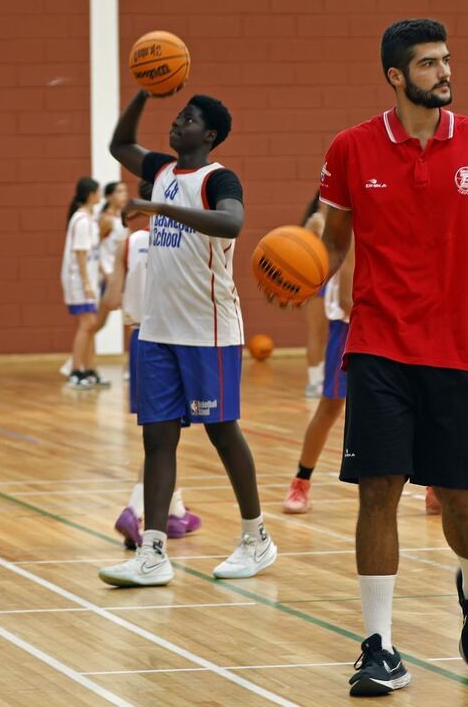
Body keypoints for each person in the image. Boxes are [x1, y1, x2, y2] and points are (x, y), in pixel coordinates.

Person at [318, 19, 468, 696]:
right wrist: (295, 276)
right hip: (379, 343)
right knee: (378, 490)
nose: (444, 72)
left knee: (462, 504)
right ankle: (378, 645)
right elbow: (329, 243)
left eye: (446, 60)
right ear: (395, 75)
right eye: (429, 63)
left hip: (463, 346)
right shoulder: (351, 149)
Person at [97, 89, 276, 587]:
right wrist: (145, 89)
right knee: (157, 437)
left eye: (188, 119)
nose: (177, 123)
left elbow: (232, 221)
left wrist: (163, 209)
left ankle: (256, 537)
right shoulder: (159, 171)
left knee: (222, 432)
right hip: (157, 330)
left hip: (208, 331)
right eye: (177, 115)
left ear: (210, 134)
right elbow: (120, 143)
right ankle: (152, 552)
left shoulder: (218, 178)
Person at [101, 193, 202, 548]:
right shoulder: (181, 239)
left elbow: (112, 301)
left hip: (140, 340)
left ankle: (174, 512)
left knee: (162, 435)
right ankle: (134, 506)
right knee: (165, 436)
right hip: (172, 338)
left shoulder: (129, 244)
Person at [283, 242, 354, 514]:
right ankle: (301, 481)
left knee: (413, 407)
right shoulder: (357, 222)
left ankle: (433, 486)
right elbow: (347, 297)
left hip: (391, 326)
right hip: (353, 326)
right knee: (330, 407)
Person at [60, 177, 101, 389]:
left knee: (91, 325)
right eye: (99, 192)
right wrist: (86, 282)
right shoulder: (82, 221)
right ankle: (75, 371)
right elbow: (80, 254)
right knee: (87, 324)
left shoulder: (89, 219)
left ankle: (89, 369)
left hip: (88, 279)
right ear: (91, 195)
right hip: (78, 280)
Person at [301, 192, 331, 398]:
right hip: (317, 281)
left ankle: (331, 379)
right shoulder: (314, 222)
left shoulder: (345, 220)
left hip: (338, 282)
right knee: (316, 332)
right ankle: (314, 381)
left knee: (335, 333)